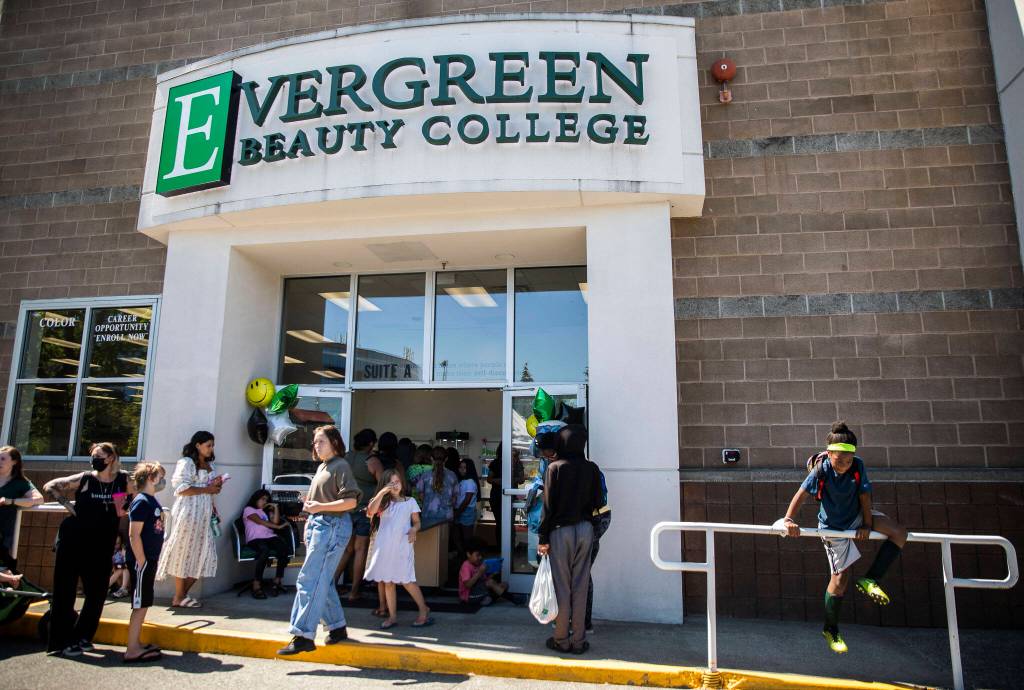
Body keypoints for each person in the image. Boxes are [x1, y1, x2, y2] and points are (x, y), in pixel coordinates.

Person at [782, 421, 908, 654]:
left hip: (857, 517)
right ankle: (831, 629)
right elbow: (800, 494)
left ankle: (871, 579)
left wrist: (868, 524)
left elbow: (865, 497)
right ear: (829, 454)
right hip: (832, 527)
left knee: (899, 533)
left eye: (848, 461)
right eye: (839, 461)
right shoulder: (821, 469)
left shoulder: (857, 466)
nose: (844, 466)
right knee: (840, 580)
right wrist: (788, 520)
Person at [44, 442, 133, 656]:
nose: (95, 459)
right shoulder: (85, 478)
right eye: (93, 455)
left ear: (111, 458)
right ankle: (61, 641)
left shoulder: (121, 480)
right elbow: (51, 486)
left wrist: (128, 501)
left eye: (100, 455)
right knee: (65, 591)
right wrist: (67, 504)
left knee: (97, 592)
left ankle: (81, 636)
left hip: (102, 542)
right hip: (74, 540)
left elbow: (125, 506)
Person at [278, 425, 360, 655]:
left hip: (331, 526)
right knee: (322, 581)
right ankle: (336, 627)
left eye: (321, 441)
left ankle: (303, 634)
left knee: (309, 580)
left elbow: (351, 502)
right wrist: (311, 518)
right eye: (315, 441)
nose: (316, 445)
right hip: (321, 525)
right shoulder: (324, 467)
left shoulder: (340, 465)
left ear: (334, 442)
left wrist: (319, 508)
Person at [536, 425, 604, 655]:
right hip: (585, 529)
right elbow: (598, 501)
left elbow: (547, 507)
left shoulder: (554, 468)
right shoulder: (592, 468)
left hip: (559, 532)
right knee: (581, 585)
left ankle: (561, 639)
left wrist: (543, 537)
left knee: (562, 586)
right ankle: (578, 640)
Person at [157, 431, 222, 608]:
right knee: (184, 550)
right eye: (208, 445)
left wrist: (215, 489)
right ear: (198, 445)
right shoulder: (186, 463)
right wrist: (206, 490)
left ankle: (182, 595)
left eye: (212, 445)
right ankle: (179, 596)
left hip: (204, 513)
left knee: (203, 553)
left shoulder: (209, 464)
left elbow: (208, 489)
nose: (211, 449)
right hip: (188, 512)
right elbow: (181, 488)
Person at [364, 469, 433, 629]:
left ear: (402, 483)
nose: (395, 485)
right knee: (388, 581)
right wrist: (382, 492)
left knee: (407, 580)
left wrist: (414, 530)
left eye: (397, 482)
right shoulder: (382, 502)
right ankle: (392, 616)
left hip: (402, 545)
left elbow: (417, 522)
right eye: (391, 483)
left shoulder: (410, 502)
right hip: (384, 546)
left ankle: (423, 610)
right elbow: (370, 511)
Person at [124, 461, 166, 663]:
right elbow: (134, 534)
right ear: (151, 478)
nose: (162, 480)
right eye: (160, 476)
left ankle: (136, 644)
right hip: (143, 562)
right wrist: (141, 561)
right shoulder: (142, 501)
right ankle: (132, 649)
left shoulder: (150, 500)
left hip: (149, 559)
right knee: (139, 605)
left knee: (144, 603)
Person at [336, 428, 380, 599]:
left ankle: (331, 586)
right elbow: (384, 484)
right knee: (360, 550)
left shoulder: (346, 458)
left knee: (347, 549)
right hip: (364, 510)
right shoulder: (372, 461)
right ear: (370, 443)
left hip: (346, 509)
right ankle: (354, 591)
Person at [243, 489, 291, 599]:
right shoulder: (248, 509)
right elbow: (259, 521)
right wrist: (278, 527)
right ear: (256, 498)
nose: (265, 501)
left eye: (267, 499)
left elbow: (275, 522)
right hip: (255, 539)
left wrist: (275, 507)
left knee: (284, 549)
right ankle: (256, 584)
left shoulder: (265, 512)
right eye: (262, 499)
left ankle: (277, 580)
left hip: (269, 537)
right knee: (264, 551)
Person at [0, 445, 44, 564]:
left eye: (3, 459)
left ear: (14, 462)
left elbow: (39, 499)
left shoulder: (20, 483)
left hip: (4, 534)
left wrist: (11, 501)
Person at [488, 443, 524, 549]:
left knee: (509, 524)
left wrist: (507, 481)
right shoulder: (495, 463)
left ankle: (509, 549)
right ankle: (502, 548)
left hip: (510, 496)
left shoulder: (517, 463)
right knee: (500, 523)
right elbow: (489, 479)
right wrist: (502, 481)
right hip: (497, 497)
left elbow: (522, 479)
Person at [412, 446, 458, 526]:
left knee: (430, 538)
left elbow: (420, 495)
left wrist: (428, 503)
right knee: (444, 538)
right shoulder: (452, 475)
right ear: (446, 459)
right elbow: (454, 498)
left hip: (428, 514)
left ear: (431, 458)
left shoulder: (425, 475)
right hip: (446, 516)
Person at [458, 539, 508, 606]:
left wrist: (493, 574)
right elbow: (468, 585)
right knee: (491, 584)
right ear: (468, 554)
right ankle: (512, 598)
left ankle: (487, 599)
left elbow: (484, 580)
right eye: (477, 555)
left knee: (504, 585)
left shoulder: (479, 564)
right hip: (469, 596)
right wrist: (479, 573)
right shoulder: (466, 566)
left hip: (480, 591)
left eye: (481, 555)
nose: (480, 557)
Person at [454, 457, 480, 544]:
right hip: (461, 509)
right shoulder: (462, 481)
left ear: (469, 469)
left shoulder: (470, 482)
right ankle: (463, 555)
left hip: (466, 510)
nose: (461, 470)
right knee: (458, 537)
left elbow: (467, 500)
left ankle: (467, 555)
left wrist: (457, 513)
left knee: (466, 538)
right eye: (460, 467)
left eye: (464, 468)